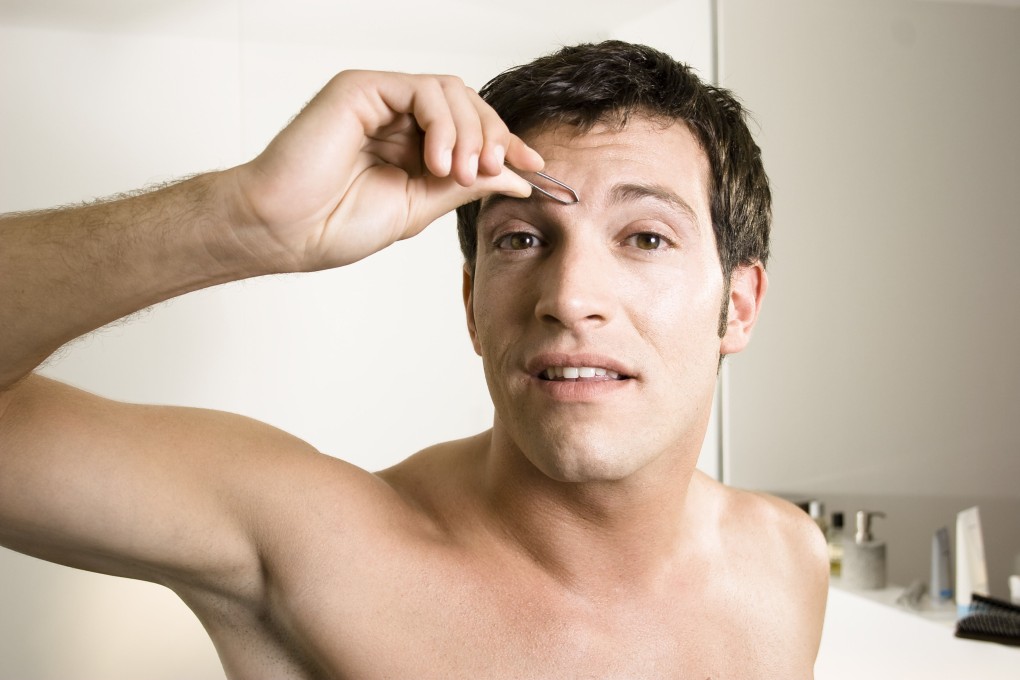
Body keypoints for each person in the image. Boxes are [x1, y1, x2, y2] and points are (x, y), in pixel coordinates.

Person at [0, 40, 828, 678]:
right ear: (472, 303)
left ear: (740, 304)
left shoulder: (785, 562)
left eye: (645, 237)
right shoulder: (319, 548)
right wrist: (244, 218)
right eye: (523, 239)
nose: (570, 295)